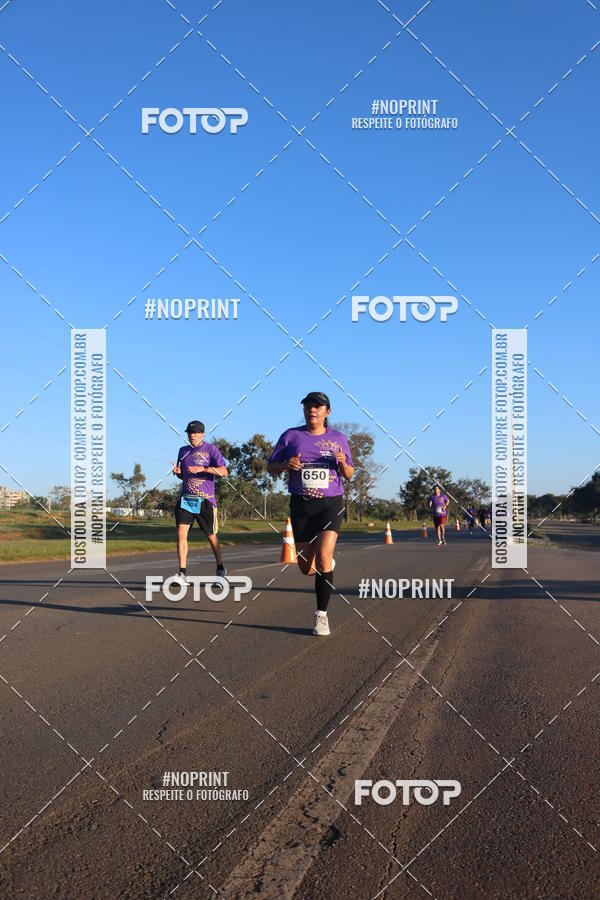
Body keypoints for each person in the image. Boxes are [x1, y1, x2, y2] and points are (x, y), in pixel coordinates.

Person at [267, 391, 354, 636]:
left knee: (325, 556)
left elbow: (349, 474)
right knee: (306, 568)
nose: (312, 410)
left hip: (330, 504)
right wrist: (287, 465)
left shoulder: (338, 439)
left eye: (317, 407)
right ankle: (325, 566)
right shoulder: (291, 436)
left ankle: (321, 616)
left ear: (327, 412)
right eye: (308, 406)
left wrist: (342, 463)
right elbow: (270, 467)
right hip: (302, 505)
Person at [172, 420, 228, 583]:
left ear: (203, 434)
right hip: (186, 499)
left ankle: (220, 568)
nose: (192, 436)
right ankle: (182, 573)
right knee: (181, 534)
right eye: (190, 433)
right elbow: (184, 474)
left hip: (205, 500)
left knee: (211, 536)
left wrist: (204, 469)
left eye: (196, 433)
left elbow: (224, 472)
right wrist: (178, 473)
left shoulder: (211, 449)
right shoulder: (183, 451)